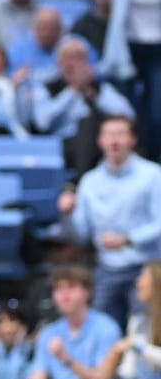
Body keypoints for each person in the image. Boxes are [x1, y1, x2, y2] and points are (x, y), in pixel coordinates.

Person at [59, 115, 161, 328]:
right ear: (100, 141)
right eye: (109, 135)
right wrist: (67, 214)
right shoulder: (89, 182)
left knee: (148, 329)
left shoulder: (153, 175)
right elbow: (81, 235)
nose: (114, 141)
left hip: (145, 268)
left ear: (133, 139)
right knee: (101, 328)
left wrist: (128, 239)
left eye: (120, 134)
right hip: (106, 269)